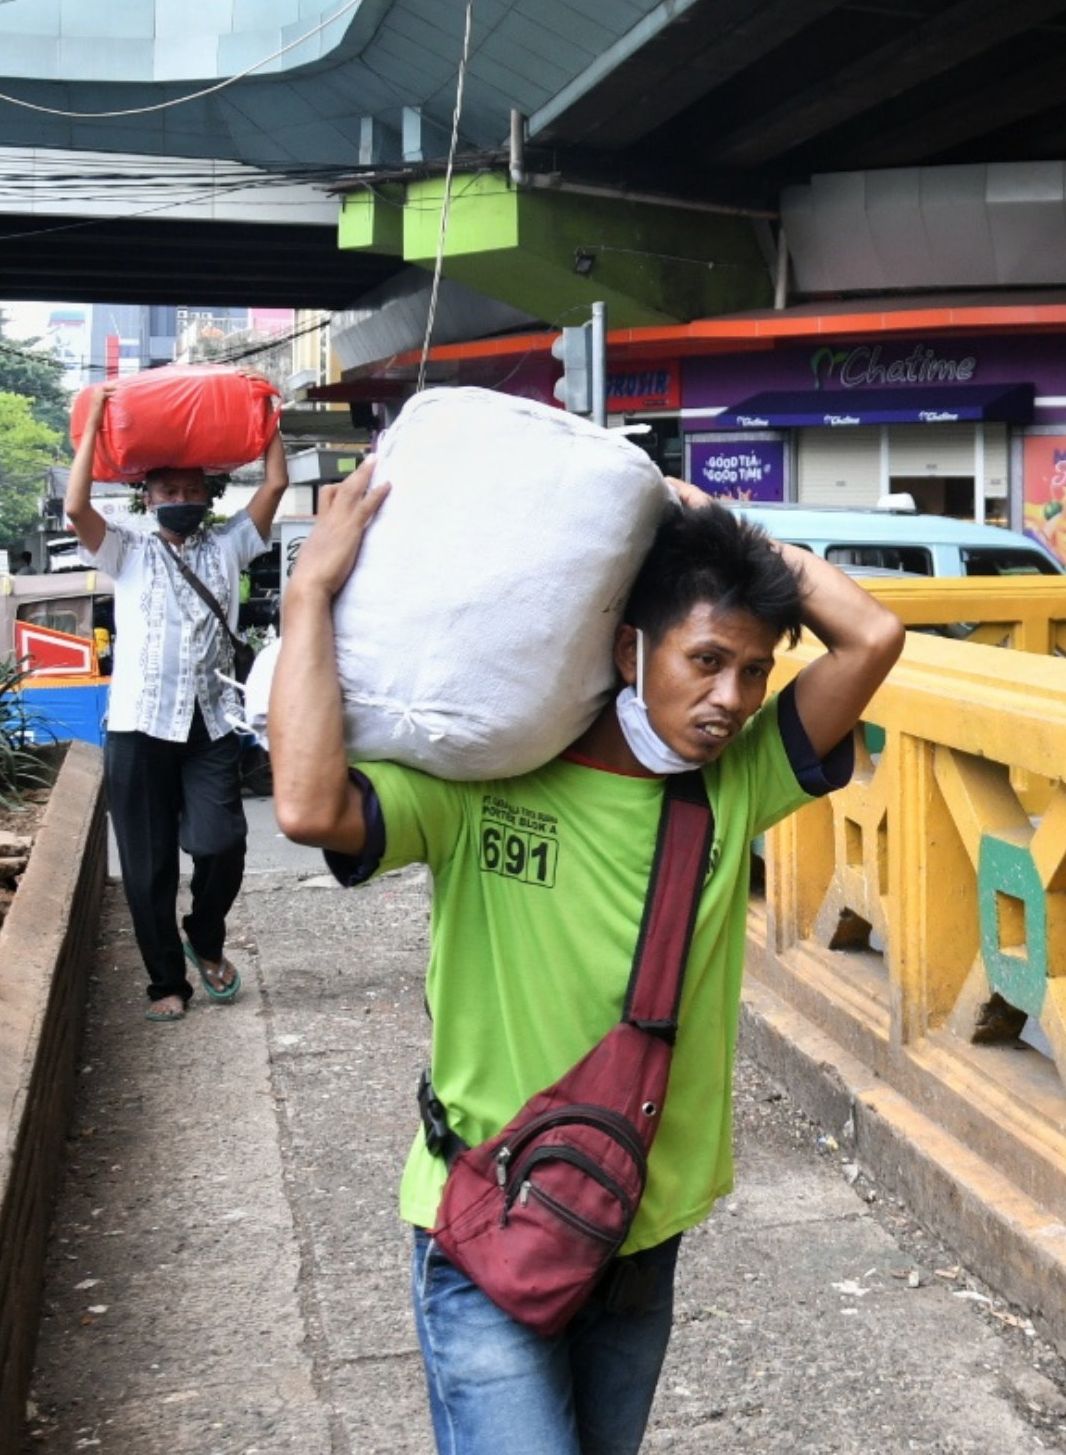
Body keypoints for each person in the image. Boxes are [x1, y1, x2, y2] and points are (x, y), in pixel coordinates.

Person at [271, 469, 903, 1452]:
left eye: (753, 671)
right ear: (628, 648)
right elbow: (311, 806)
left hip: (642, 1235)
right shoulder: (486, 783)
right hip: (485, 1220)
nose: (731, 699)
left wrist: (709, 522)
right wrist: (309, 592)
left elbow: (872, 636)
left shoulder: (730, 786)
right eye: (705, 660)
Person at [63, 385, 287, 1024]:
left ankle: (204, 936)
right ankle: (166, 982)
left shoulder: (228, 546)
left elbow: (275, 483)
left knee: (223, 844)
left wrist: (267, 415)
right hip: (138, 727)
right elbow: (76, 506)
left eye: (192, 490)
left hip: (210, 724)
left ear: (208, 497)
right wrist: (95, 423)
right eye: (168, 491)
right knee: (147, 866)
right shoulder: (127, 551)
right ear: (147, 499)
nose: (181, 499)